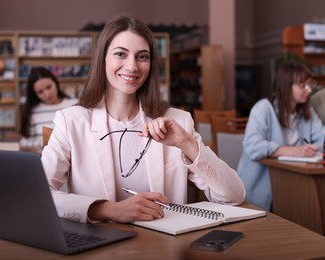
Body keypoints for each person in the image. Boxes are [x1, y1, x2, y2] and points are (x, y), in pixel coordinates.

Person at [41, 14, 245, 224]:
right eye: (120, 54)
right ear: (103, 58)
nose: (132, 67)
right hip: (100, 249)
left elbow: (233, 196)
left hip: (166, 248)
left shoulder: (178, 121)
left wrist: (186, 144)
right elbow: (39, 194)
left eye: (142, 56)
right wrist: (107, 210)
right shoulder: (71, 122)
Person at [237, 60, 325, 211]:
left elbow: (322, 139)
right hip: (260, 190)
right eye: (302, 85)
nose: (309, 89)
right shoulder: (263, 108)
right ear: (286, 86)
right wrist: (294, 151)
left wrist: (311, 149)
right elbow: (252, 147)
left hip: (293, 184)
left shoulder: (306, 112)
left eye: (309, 84)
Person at [19, 67, 78, 150]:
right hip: (44, 159)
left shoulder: (75, 105)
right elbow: (24, 142)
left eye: (49, 87)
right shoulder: (33, 112)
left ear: (56, 83)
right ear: (35, 94)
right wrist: (39, 146)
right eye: (40, 92)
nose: (47, 94)